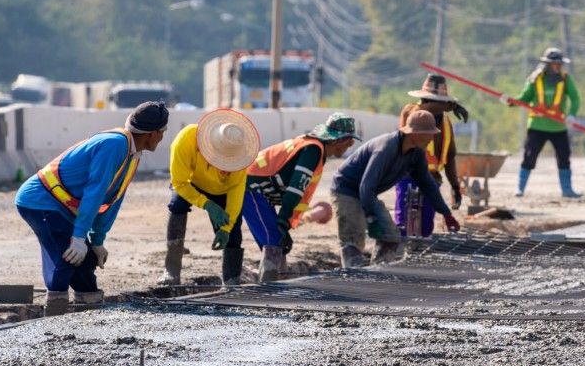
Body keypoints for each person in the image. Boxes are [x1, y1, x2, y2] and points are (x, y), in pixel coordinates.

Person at [15, 102, 169, 316]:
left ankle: (89, 311)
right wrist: (78, 237)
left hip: (62, 207)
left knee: (85, 261)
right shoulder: (114, 145)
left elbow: (112, 200)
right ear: (152, 133)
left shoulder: (133, 155)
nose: (162, 138)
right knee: (66, 257)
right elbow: (94, 192)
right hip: (40, 201)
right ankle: (53, 314)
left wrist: (96, 241)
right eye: (162, 132)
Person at [331, 108, 461, 267]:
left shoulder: (417, 153)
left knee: (391, 237)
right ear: (415, 133)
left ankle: (377, 271)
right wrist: (371, 218)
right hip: (346, 189)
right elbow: (366, 185)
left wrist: (446, 213)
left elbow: (428, 185)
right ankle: (352, 275)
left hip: (367, 192)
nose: (432, 138)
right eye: (429, 133)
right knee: (353, 239)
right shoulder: (386, 148)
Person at [244, 112, 361, 282]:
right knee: (274, 242)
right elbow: (295, 189)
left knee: (279, 244)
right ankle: (268, 288)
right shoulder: (313, 150)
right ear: (339, 140)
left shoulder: (313, 147)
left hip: (259, 191)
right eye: (349, 142)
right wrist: (283, 220)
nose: (349, 146)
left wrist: (286, 223)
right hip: (250, 189)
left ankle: (276, 284)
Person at [160, 108, 261, 286]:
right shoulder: (185, 140)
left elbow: (236, 193)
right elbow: (179, 182)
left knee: (233, 233)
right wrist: (208, 205)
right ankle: (171, 272)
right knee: (177, 205)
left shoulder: (239, 154)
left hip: (221, 190)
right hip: (191, 184)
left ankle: (232, 280)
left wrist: (226, 229)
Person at [395, 74, 468, 237]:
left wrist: (455, 186)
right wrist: (449, 105)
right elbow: (422, 111)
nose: (431, 103)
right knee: (402, 221)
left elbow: (449, 157)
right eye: (429, 99)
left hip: (432, 178)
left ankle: (418, 252)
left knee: (426, 226)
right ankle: (397, 250)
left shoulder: (446, 123)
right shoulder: (411, 111)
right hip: (408, 173)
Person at [506, 47, 582, 199]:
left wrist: (572, 115)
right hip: (537, 126)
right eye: (555, 64)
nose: (558, 67)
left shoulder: (565, 79)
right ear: (547, 64)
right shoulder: (535, 79)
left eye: (560, 64)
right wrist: (512, 101)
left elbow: (575, 98)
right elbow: (525, 98)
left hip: (558, 126)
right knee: (529, 156)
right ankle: (520, 188)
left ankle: (567, 190)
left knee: (564, 157)